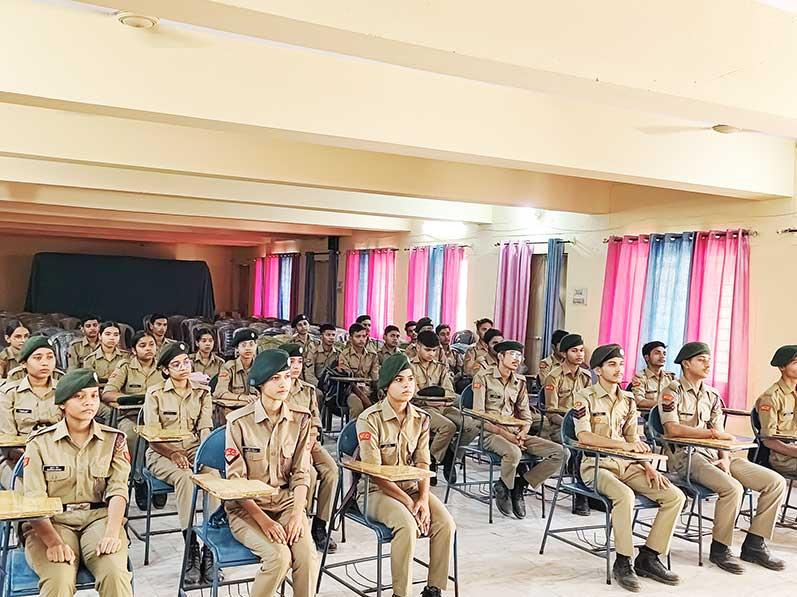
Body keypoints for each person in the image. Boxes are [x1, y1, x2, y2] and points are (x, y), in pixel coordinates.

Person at [660, 341, 786, 574]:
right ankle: (720, 548)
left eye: (709, 359)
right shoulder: (671, 391)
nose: (708, 363)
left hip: (714, 454)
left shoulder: (712, 394)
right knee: (732, 488)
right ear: (686, 364)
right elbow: (672, 430)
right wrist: (710, 434)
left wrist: (725, 458)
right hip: (687, 456)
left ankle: (755, 544)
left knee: (775, 482)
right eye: (701, 359)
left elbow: (720, 434)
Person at [574, 344, 684, 591]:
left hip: (628, 464)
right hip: (597, 465)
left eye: (621, 364)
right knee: (625, 496)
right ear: (598, 370)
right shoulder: (585, 396)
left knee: (675, 496)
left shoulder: (628, 399)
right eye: (612, 365)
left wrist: (648, 465)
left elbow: (634, 439)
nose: (618, 369)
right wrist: (623, 445)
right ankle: (623, 562)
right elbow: (584, 437)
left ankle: (649, 556)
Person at [22, 368, 133, 597]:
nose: (89, 402)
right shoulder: (40, 443)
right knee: (59, 578)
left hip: (98, 519)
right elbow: (34, 500)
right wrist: (52, 542)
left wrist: (112, 532)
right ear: (62, 403)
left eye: (93, 395)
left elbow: (118, 490)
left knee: (115, 572)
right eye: (79, 396)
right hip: (54, 522)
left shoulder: (114, 440)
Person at [357, 353, 456, 597]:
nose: (407, 385)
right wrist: (410, 503)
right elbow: (375, 472)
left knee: (446, 524)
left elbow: (423, 462)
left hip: (411, 487)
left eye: (410, 379)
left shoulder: (421, 418)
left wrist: (422, 498)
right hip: (376, 491)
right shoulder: (370, 419)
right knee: (406, 524)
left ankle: (433, 589)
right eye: (399, 380)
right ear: (386, 386)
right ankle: (400, 593)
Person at [224, 349, 318, 597]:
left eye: (287, 377)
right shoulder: (238, 422)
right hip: (247, 509)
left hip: (286, 504)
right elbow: (236, 483)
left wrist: (298, 514)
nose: (284, 384)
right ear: (260, 383)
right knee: (279, 556)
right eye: (275, 378)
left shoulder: (301, 418)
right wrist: (263, 521)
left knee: (307, 556)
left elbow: (301, 473)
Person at [143, 342, 218, 585]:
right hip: (162, 452)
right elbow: (152, 437)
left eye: (186, 362)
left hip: (195, 448)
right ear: (166, 370)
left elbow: (205, 428)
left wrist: (206, 454)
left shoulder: (202, 392)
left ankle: (210, 547)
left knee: (213, 476)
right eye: (176, 364)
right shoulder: (154, 393)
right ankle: (190, 550)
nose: (184, 367)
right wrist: (173, 452)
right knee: (186, 477)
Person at [472, 341, 562, 519]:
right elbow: (478, 417)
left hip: (516, 433)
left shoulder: (520, 382)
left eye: (519, 355)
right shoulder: (483, 377)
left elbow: (526, 415)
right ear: (500, 356)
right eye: (512, 354)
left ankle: (520, 484)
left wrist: (523, 431)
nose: (517, 358)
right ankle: (506, 487)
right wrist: (506, 435)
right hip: (491, 433)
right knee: (514, 453)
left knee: (560, 452)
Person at [279, 343, 338, 553]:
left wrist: (312, 437)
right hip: (287, 446)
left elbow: (315, 419)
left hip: (308, 442)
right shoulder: (278, 386)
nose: (296, 366)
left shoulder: (308, 390)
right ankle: (300, 521)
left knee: (332, 470)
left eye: (299, 362)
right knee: (309, 474)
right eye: (291, 362)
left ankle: (320, 525)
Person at [410, 331, 478, 485]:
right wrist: (435, 396)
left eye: (435, 350)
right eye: (427, 350)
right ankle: (430, 461)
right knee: (448, 427)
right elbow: (414, 396)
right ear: (418, 347)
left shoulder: (440, 367)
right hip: (422, 409)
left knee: (472, 426)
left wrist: (438, 396)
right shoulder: (409, 366)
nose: (431, 354)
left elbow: (449, 392)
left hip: (443, 406)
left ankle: (452, 457)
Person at [102, 331, 161, 510]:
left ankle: (159, 481)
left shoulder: (163, 366)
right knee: (131, 436)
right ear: (133, 350)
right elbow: (107, 393)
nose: (148, 349)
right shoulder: (125, 366)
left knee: (166, 436)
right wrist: (131, 399)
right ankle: (138, 479)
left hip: (159, 417)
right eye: (143, 346)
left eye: (151, 344)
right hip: (131, 416)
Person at [0, 336, 60, 489]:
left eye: (50, 357)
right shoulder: (9, 393)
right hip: (17, 458)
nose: (45, 362)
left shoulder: (64, 391)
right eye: (37, 358)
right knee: (26, 490)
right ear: (24, 363)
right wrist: (35, 458)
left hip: (59, 455)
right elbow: (7, 440)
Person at [542, 333, 592, 515]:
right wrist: (571, 427)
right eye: (574, 351)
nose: (579, 354)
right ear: (564, 353)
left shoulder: (586, 377)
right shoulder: (553, 377)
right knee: (579, 449)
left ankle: (593, 491)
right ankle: (580, 496)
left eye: (581, 350)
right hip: (559, 426)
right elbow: (551, 411)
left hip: (582, 425)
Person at [755, 345, 797, 476]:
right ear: (782, 367)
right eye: (796, 363)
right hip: (782, 458)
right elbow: (767, 439)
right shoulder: (771, 398)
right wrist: (794, 451)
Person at [83, 322, 128, 423]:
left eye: (116, 335)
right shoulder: (90, 359)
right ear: (100, 336)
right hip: (97, 398)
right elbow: (89, 385)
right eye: (108, 334)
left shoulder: (126, 357)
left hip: (119, 395)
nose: (112, 338)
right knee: (109, 412)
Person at [213, 328, 259, 421]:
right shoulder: (229, 367)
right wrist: (242, 397)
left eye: (251, 344)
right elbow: (219, 392)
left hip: (256, 410)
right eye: (243, 345)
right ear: (237, 349)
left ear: (256, 346)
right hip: (234, 410)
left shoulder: (260, 366)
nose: (248, 348)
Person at [337, 323, 379, 420]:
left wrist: (380, 391)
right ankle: (354, 434)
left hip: (369, 389)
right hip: (350, 391)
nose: (361, 339)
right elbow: (347, 379)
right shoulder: (344, 355)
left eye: (364, 336)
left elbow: (375, 377)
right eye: (358, 336)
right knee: (357, 407)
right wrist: (363, 396)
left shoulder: (372, 355)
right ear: (351, 338)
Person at [630, 342, 675, 409]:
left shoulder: (671, 377)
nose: (662, 356)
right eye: (657, 353)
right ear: (647, 358)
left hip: (667, 415)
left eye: (664, 353)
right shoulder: (640, 377)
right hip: (647, 417)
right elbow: (639, 401)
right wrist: (661, 403)